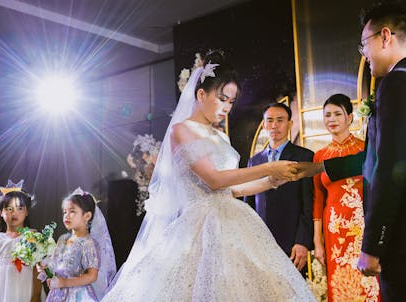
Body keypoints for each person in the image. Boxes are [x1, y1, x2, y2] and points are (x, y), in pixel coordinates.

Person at [101, 50, 315, 301]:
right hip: (199, 229)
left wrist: (271, 181)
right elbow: (214, 180)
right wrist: (269, 168)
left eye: (231, 102)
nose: (227, 107)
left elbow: (232, 190)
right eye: (222, 99)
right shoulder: (181, 131)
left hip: (234, 223)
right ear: (201, 94)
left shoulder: (221, 137)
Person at [295, 1, 406, 301]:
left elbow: (391, 167)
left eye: (364, 44)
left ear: (385, 36)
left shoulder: (398, 82)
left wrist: (373, 244)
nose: (364, 53)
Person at [312, 94, 380, 301]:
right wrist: (318, 240)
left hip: (364, 227)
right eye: (327, 115)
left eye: (337, 114)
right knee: (342, 286)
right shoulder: (319, 156)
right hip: (334, 232)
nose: (331, 119)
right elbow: (317, 200)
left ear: (349, 117)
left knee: (369, 284)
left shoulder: (366, 150)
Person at [244, 102, 314, 273]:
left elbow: (309, 204)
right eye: (270, 120)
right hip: (260, 244)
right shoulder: (254, 161)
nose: (274, 125)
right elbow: (249, 206)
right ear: (264, 125)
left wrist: (302, 242)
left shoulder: (304, 156)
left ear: (290, 124)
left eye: (280, 120)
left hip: (291, 244)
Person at [44, 188, 116, 301]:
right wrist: (44, 267)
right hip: (58, 294)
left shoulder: (88, 243)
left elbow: (92, 276)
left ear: (87, 216)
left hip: (77, 295)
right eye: (65, 212)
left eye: (72, 211)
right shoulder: (63, 239)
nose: (67, 216)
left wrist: (65, 282)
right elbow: (56, 267)